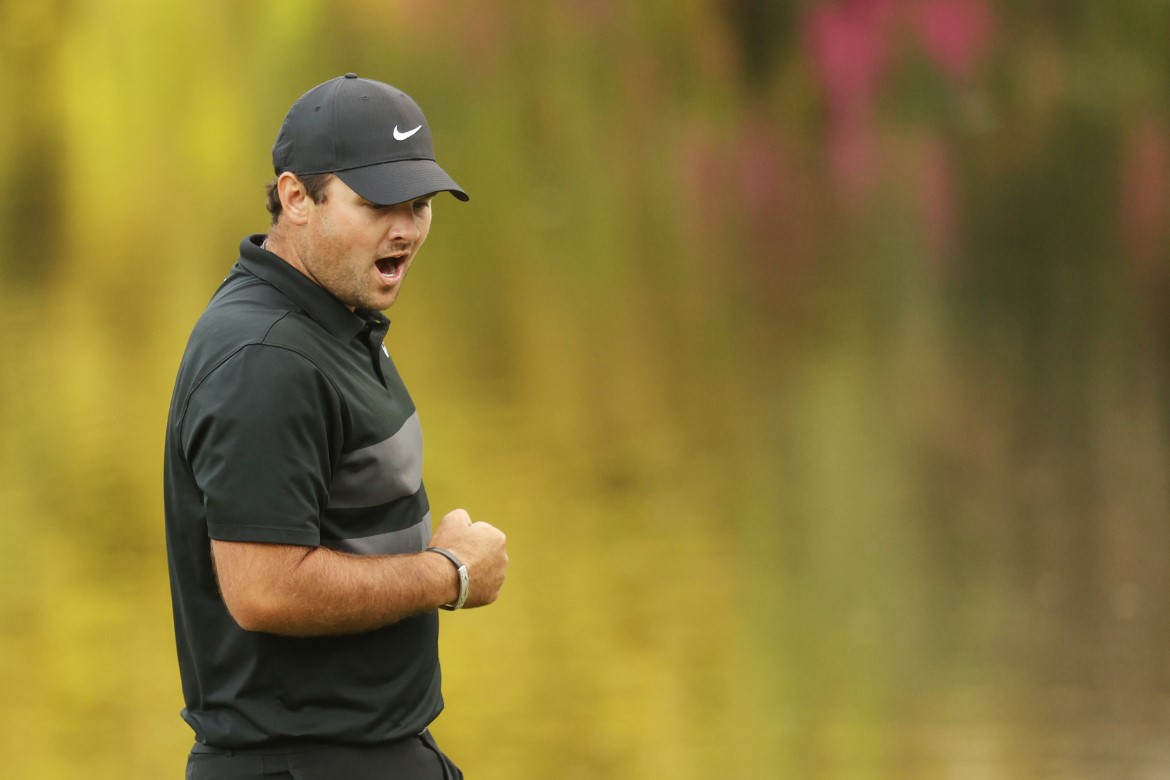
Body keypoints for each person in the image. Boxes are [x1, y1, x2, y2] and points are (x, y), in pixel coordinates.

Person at [163, 73, 509, 780]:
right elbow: (265, 588)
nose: (406, 228)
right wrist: (451, 573)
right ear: (296, 198)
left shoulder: (332, 319)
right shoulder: (263, 358)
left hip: (370, 752)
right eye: (379, 203)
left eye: (419, 204)